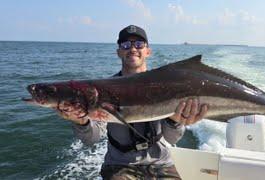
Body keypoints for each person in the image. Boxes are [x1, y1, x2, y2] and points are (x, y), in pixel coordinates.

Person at [58, 25, 208, 179]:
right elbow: (92, 138)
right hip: (120, 166)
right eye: (125, 45)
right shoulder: (103, 90)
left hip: (161, 163)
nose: (132, 48)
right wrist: (81, 123)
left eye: (139, 44)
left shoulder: (164, 85)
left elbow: (171, 138)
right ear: (119, 52)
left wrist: (176, 122)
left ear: (148, 51)